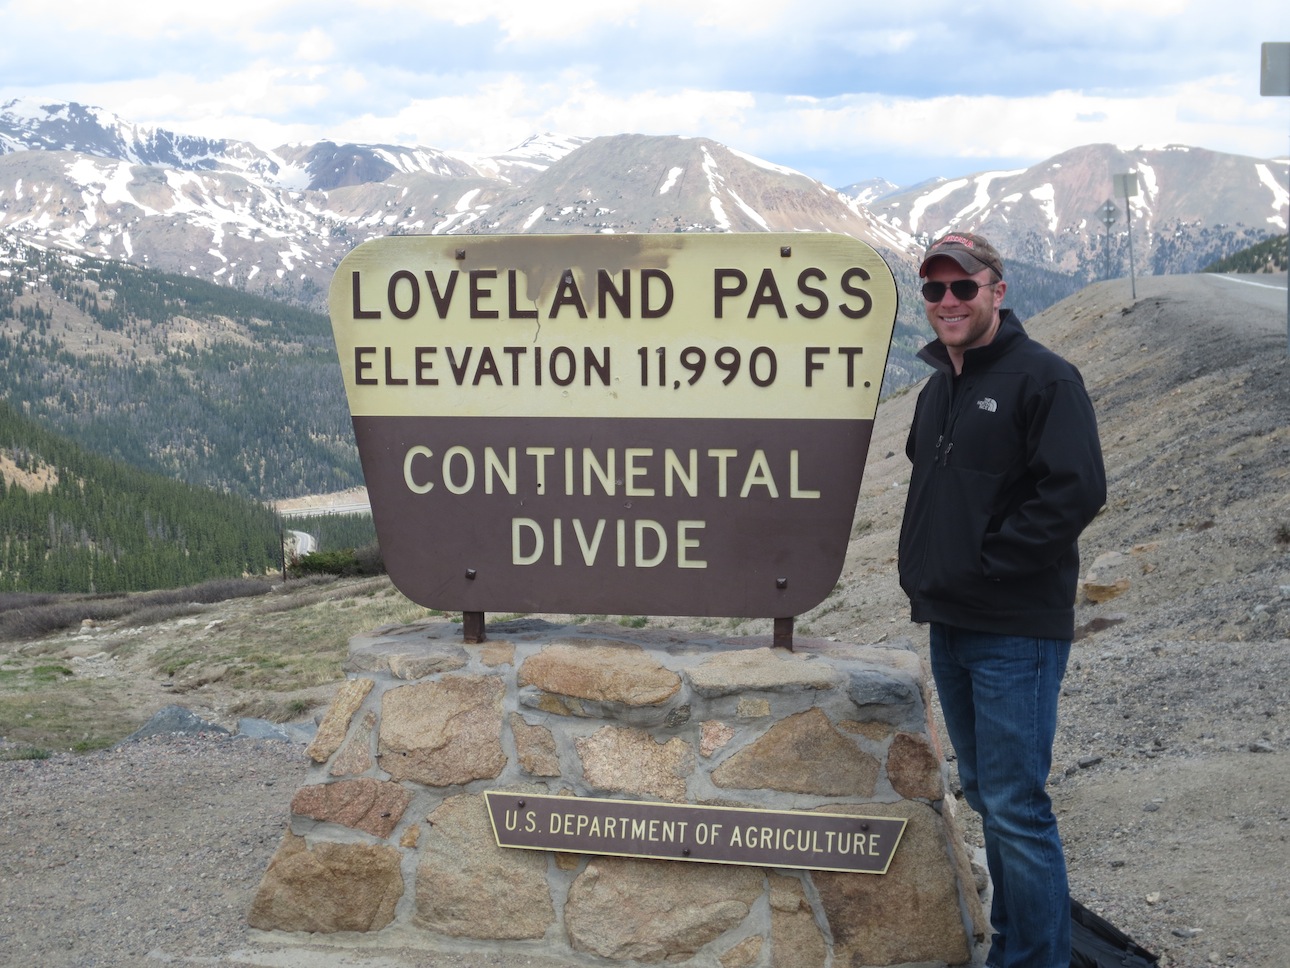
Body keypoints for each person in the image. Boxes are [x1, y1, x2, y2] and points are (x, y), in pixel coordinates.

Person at [897, 231, 1106, 968]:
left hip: (1014, 630)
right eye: (934, 289)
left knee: (1017, 809)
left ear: (997, 290)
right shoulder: (938, 387)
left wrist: (989, 566)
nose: (948, 301)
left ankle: (1036, 960)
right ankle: (1016, 950)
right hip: (951, 624)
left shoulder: (1045, 378)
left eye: (963, 286)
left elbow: (1076, 491)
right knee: (989, 797)